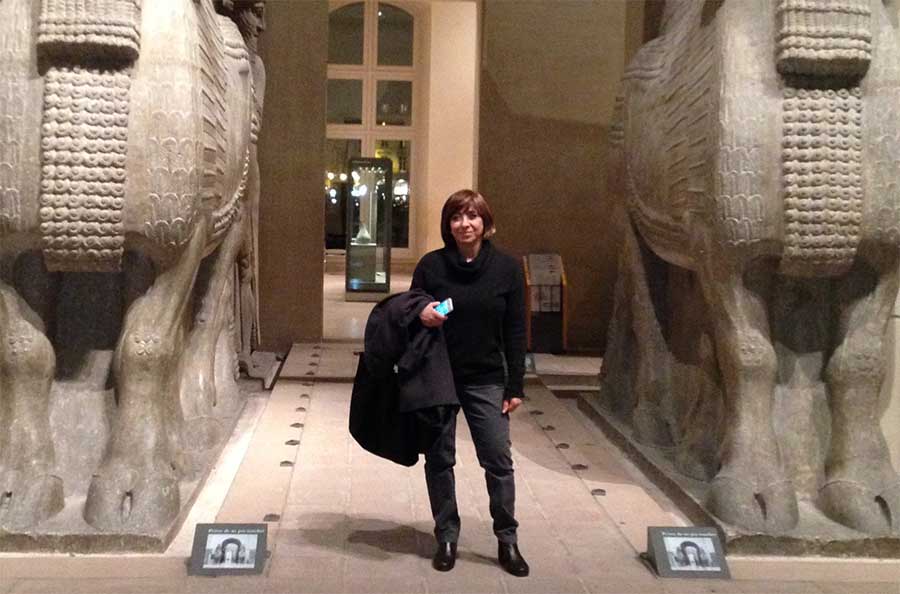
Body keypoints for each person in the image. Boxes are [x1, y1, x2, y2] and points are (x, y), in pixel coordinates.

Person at [411, 189, 529, 577]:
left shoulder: (508, 269)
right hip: (439, 376)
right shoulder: (431, 266)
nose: (465, 224)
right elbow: (411, 312)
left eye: (472, 216)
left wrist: (516, 386)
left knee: (498, 459)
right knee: (439, 459)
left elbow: (515, 330)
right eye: (457, 217)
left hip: (487, 378)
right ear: (448, 225)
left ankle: (507, 539)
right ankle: (446, 535)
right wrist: (423, 313)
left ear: (485, 222)